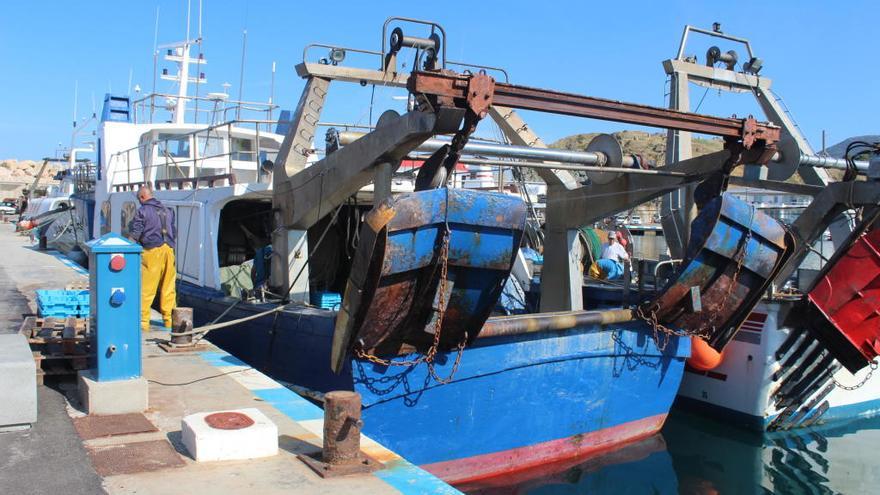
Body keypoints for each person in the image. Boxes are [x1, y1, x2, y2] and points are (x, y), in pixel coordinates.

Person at [129, 186, 177, 331]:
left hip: (151, 251)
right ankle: (169, 321)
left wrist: (129, 245)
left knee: (147, 289)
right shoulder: (168, 210)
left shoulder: (142, 211)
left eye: (139, 199)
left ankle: (143, 323)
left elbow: (135, 233)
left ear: (142, 197)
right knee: (169, 288)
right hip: (169, 250)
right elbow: (173, 231)